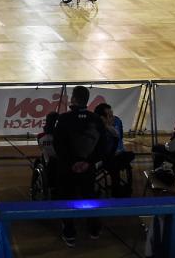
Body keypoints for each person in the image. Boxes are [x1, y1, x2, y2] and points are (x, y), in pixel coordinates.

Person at [52, 86, 107, 246]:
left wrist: (71, 163)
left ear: (74, 99)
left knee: (66, 197)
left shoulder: (64, 119)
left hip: (67, 169)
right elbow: (102, 146)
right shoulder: (96, 119)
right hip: (88, 169)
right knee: (89, 195)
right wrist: (88, 163)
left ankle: (69, 232)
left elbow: (58, 146)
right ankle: (94, 228)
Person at [95, 103, 135, 197]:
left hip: (115, 154)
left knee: (115, 162)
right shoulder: (95, 127)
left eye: (112, 114)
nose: (113, 117)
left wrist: (110, 128)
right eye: (110, 115)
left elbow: (119, 140)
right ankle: (117, 191)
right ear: (102, 118)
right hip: (103, 157)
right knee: (114, 163)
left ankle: (117, 191)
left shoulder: (117, 121)